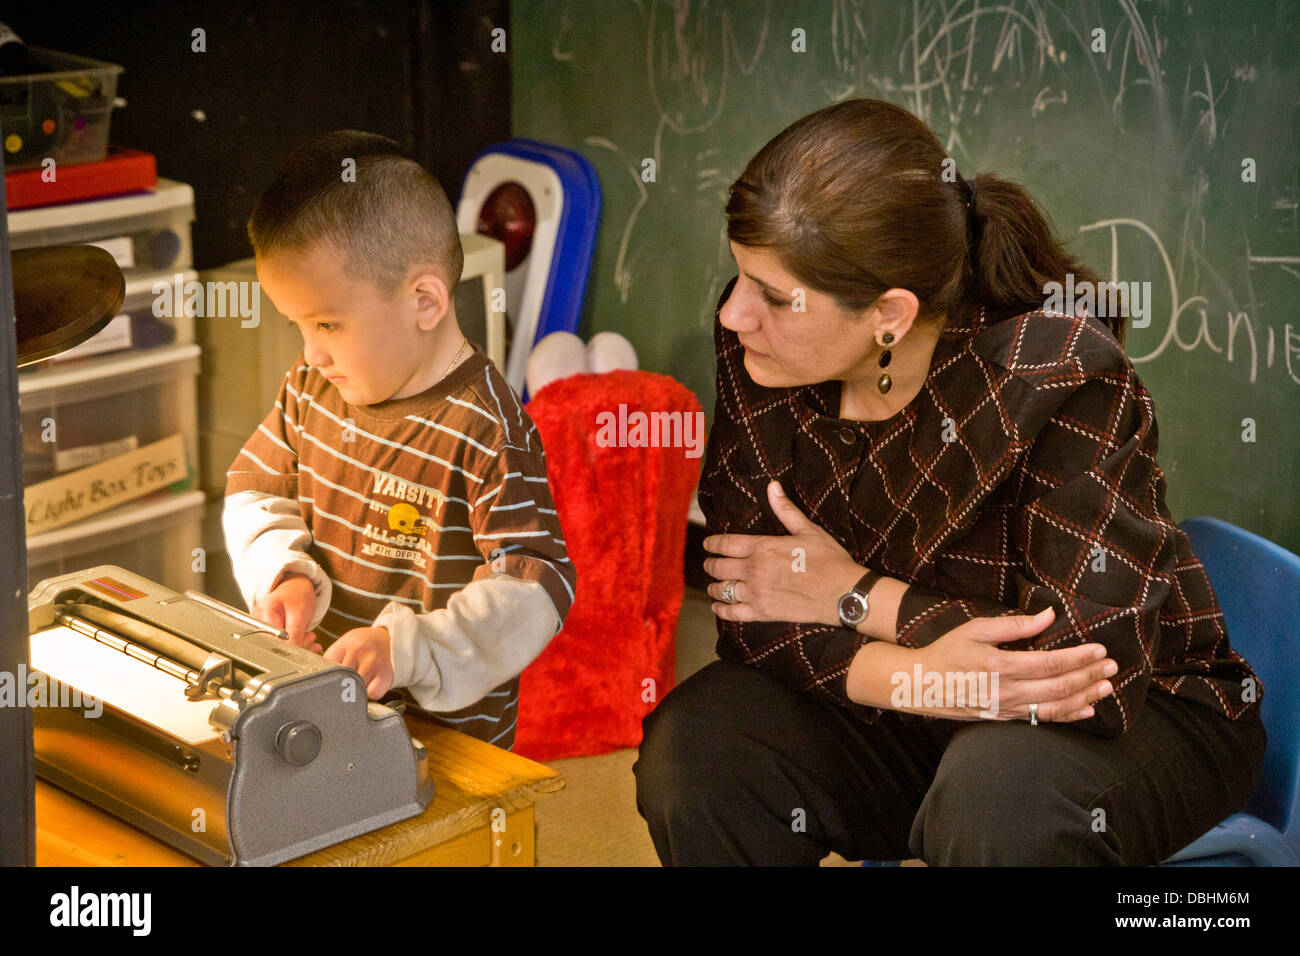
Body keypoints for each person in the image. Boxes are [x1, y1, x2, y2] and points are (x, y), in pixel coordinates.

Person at [634, 99, 1266, 865]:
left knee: (998, 797)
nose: (735, 313)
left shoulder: (1058, 371)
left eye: (772, 294)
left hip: (1135, 717)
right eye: (739, 275)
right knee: (697, 750)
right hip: (925, 708)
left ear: (890, 316)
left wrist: (856, 596)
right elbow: (746, 606)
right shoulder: (763, 355)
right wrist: (924, 681)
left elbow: (1085, 670)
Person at [223, 131, 575, 750]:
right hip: (323, 717)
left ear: (424, 302)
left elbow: (534, 589)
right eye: (299, 326)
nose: (312, 352)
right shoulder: (312, 384)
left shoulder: (488, 428)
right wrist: (285, 575)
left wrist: (405, 649)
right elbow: (256, 488)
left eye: (328, 322)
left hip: (445, 745)